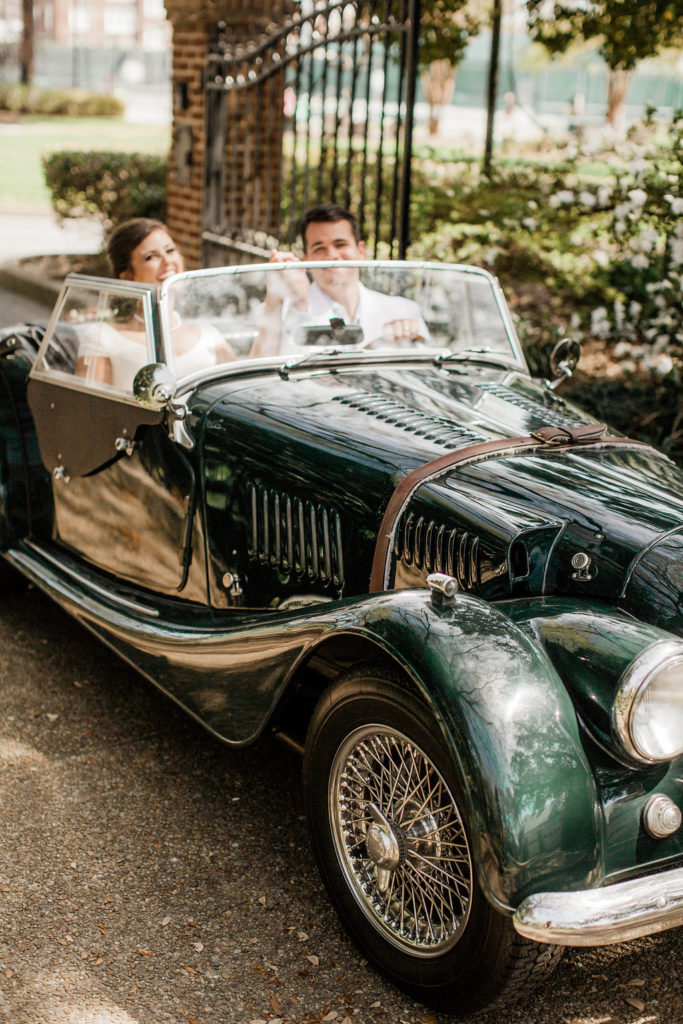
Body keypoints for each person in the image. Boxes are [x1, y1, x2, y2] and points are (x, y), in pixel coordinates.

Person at [249, 203, 428, 357]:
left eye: (340, 244)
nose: (332, 255)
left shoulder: (403, 311)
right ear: (306, 259)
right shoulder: (278, 312)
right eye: (319, 248)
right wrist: (277, 300)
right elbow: (256, 381)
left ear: (360, 250)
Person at [75, 218, 235, 389]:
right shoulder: (102, 338)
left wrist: (269, 298)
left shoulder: (209, 334)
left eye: (170, 250)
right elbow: (91, 410)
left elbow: (242, 392)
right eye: (151, 257)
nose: (167, 262)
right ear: (128, 277)